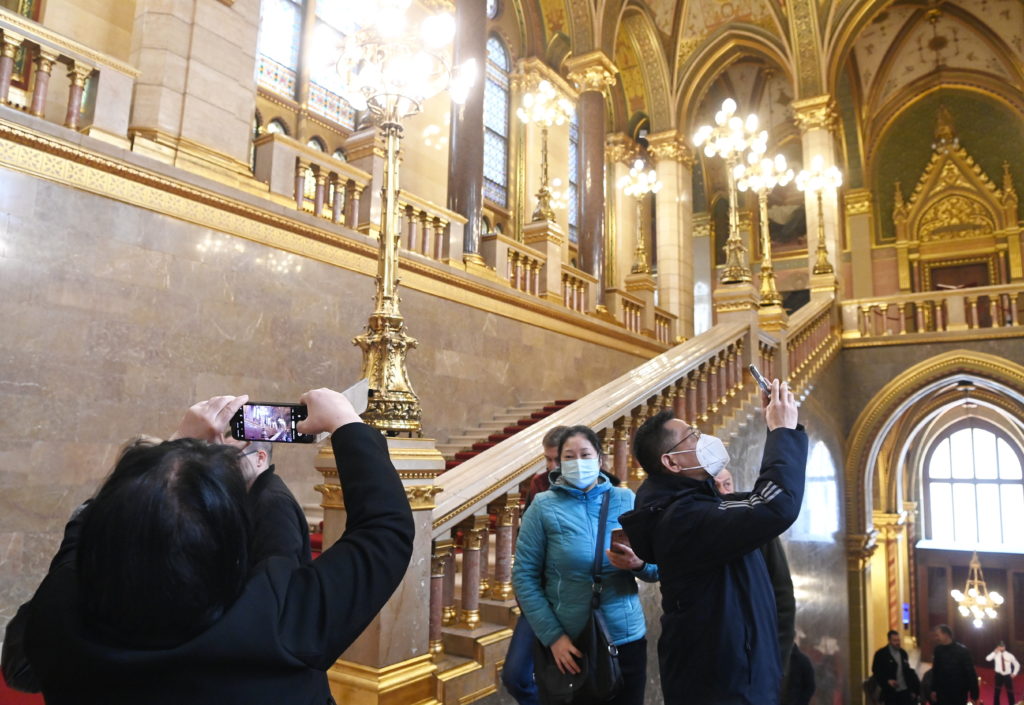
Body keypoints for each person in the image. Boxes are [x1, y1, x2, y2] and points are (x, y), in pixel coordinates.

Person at [1, 389, 415, 704]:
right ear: (231, 544)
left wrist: (176, 448)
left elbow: (86, 527)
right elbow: (386, 529)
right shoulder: (276, 623)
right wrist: (346, 420)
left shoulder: (58, 614)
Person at [620, 378, 807, 705]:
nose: (703, 438)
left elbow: (760, 505)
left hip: (738, 676)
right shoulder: (683, 519)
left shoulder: (699, 507)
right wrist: (781, 431)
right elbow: (774, 506)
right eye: (692, 436)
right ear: (672, 462)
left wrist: (779, 430)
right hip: (721, 685)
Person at [512, 425, 659, 705]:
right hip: (570, 644)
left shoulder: (626, 499)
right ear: (559, 462)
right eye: (569, 456)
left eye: (585, 454)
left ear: (599, 459)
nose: (578, 462)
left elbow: (658, 567)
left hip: (625, 637)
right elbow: (524, 576)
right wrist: (554, 637)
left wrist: (638, 564)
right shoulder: (543, 506)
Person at [501, 424, 568, 705]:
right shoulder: (539, 484)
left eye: (557, 460)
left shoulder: (599, 488)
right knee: (515, 675)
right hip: (538, 596)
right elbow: (525, 539)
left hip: (574, 598)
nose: (552, 466)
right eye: (548, 459)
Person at [714, 468, 796, 694]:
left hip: (760, 663)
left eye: (727, 484)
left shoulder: (757, 524)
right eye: (715, 486)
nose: (723, 492)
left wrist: (778, 661)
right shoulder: (696, 525)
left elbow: (782, 595)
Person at [930, 624, 978, 705]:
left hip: (959, 693)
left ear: (946, 635)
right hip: (942, 692)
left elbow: (970, 673)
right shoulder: (938, 650)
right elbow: (935, 671)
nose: (936, 638)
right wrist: (933, 689)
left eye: (937, 635)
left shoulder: (962, 651)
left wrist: (974, 695)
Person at [872, 630, 920, 705]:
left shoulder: (903, 653)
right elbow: (876, 671)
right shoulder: (881, 654)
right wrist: (887, 681)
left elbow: (907, 671)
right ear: (889, 641)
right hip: (890, 692)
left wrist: (912, 689)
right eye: (895, 640)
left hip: (904, 690)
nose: (897, 643)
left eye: (898, 640)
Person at [986, 641, 1019, 705]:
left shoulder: (1009, 655)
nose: (1001, 648)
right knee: (997, 691)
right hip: (998, 675)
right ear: (997, 647)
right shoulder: (995, 654)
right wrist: (994, 652)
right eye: (999, 646)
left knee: (1010, 692)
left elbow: (1017, 664)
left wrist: (1014, 673)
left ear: (1005, 647)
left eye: (1002, 646)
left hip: (1007, 675)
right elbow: (987, 659)